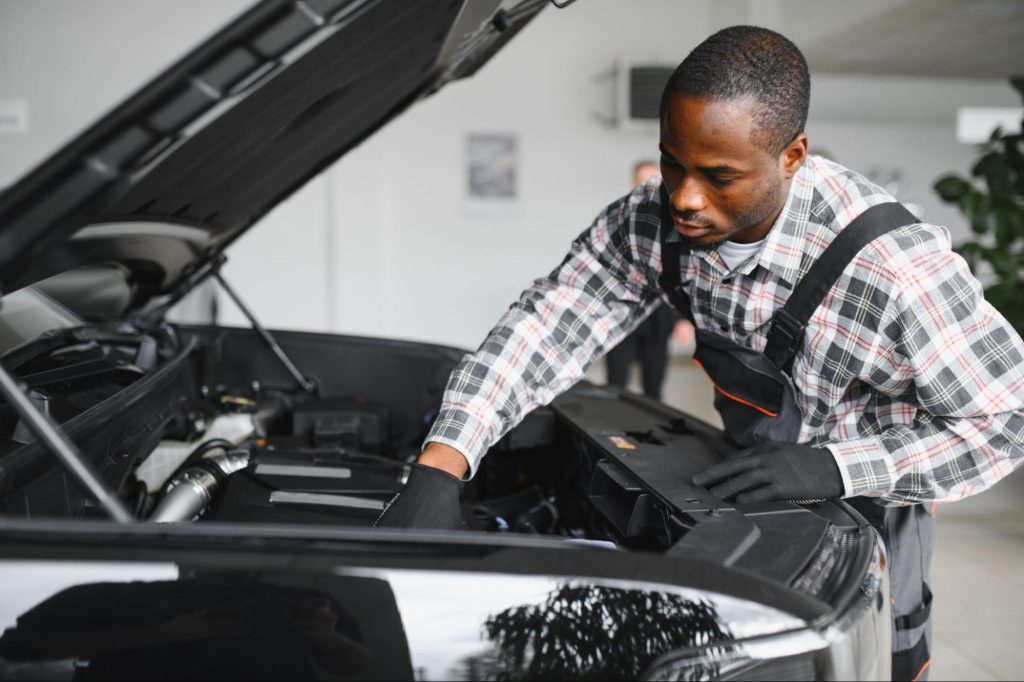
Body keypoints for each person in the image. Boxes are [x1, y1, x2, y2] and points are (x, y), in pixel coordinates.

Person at [377, 26, 1024, 681]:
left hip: (866, 524)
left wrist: (836, 468)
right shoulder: (653, 223)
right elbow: (544, 329)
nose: (685, 198)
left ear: (792, 154)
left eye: (719, 177)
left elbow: (1006, 421)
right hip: (746, 493)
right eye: (672, 162)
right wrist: (442, 464)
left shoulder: (895, 272)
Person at [604, 161, 683, 399]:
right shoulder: (616, 219)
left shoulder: (676, 225)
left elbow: (682, 272)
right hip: (622, 317)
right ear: (634, 184)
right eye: (645, 181)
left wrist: (682, 320)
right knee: (616, 387)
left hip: (658, 319)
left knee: (654, 389)